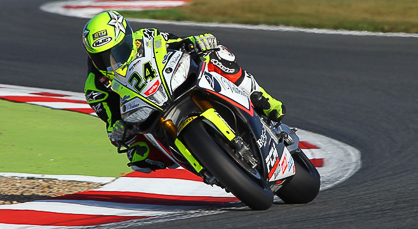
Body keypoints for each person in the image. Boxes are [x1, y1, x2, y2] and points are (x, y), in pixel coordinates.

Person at [82, 10, 285, 173]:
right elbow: (111, 120)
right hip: (147, 111)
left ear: (127, 37)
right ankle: (202, 162)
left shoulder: (145, 37)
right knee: (139, 153)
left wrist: (196, 42)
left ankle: (261, 97)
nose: (112, 60)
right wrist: (117, 129)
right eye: (102, 57)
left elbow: (178, 43)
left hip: (173, 83)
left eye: (117, 51)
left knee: (215, 53)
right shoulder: (95, 87)